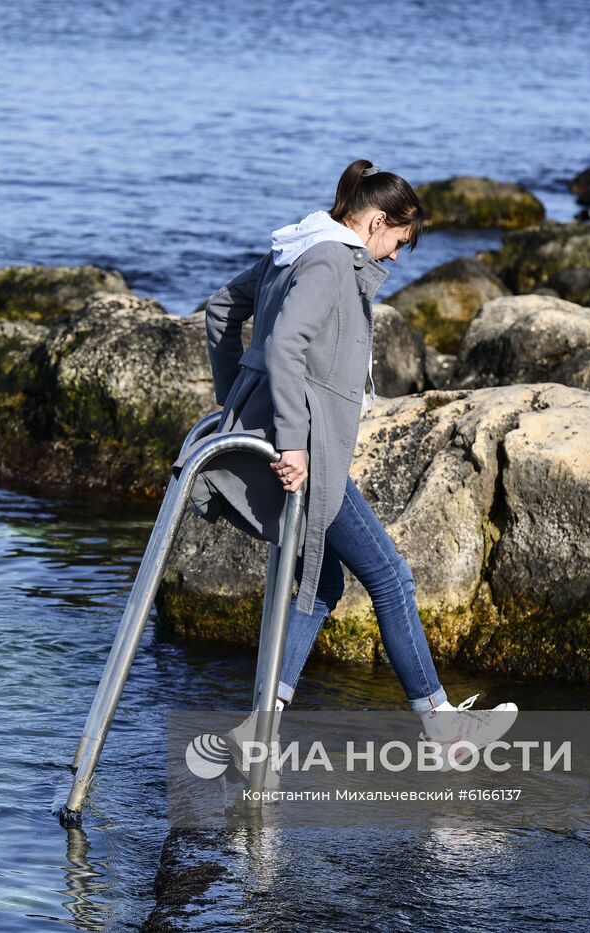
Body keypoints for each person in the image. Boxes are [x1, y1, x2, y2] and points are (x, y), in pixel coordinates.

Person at [172, 159, 517, 774]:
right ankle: (446, 732)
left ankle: (260, 731)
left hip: (282, 439)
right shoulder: (331, 260)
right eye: (397, 242)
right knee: (391, 577)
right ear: (377, 220)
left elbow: (222, 311)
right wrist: (291, 440)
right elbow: (283, 345)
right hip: (305, 452)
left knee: (322, 582)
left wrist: (239, 405)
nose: (394, 258)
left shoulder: (297, 246)